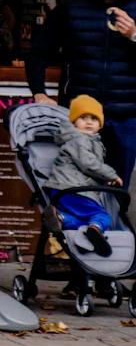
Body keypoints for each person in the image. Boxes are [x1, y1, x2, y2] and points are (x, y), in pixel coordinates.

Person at [30, 0, 136, 181]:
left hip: (126, 116)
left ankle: (114, 219)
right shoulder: (71, 9)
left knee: (119, 184)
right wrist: (38, 92)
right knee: (78, 184)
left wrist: (133, 36)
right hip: (80, 117)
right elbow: (37, 53)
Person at [49, 95, 123, 256]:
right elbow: (88, 163)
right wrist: (110, 175)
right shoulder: (78, 139)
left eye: (94, 119)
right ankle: (95, 229)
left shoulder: (87, 140)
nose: (89, 122)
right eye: (83, 117)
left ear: (100, 124)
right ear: (74, 121)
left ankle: (61, 218)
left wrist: (101, 179)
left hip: (65, 190)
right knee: (101, 215)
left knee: (80, 221)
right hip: (74, 190)